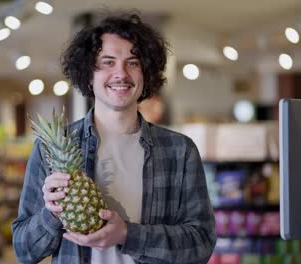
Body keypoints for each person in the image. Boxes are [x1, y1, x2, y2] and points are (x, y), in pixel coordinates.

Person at [12, 11, 216, 264]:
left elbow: (201, 243)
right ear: (89, 74)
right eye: (108, 62)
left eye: (133, 62)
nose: (121, 73)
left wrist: (128, 235)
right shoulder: (50, 149)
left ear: (146, 72)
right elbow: (24, 250)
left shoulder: (179, 150)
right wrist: (51, 215)